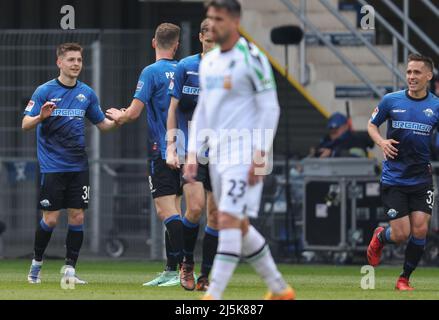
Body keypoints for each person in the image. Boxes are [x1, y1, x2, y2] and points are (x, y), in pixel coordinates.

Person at [184, 0, 295, 300]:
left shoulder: (253, 57)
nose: (211, 25)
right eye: (209, 19)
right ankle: (279, 288)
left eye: (218, 19)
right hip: (218, 156)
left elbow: (270, 107)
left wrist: (260, 153)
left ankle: (213, 294)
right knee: (240, 225)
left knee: (227, 221)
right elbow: (204, 109)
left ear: (235, 21)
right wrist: (193, 151)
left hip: (244, 154)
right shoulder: (209, 62)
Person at [22, 43, 119, 284]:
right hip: (53, 167)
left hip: (78, 166)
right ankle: (36, 264)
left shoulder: (86, 93)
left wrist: (120, 119)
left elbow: (103, 125)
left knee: (77, 217)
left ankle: (69, 270)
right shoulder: (44, 91)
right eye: (71, 60)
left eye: (79, 60)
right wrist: (40, 117)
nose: (76, 64)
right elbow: (25, 124)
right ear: (60, 63)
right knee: (51, 219)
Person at [106, 23, 183, 287]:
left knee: (165, 211)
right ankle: (171, 270)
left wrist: (119, 115)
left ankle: (187, 267)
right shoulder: (185, 69)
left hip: (163, 149)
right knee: (176, 210)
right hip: (187, 148)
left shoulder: (151, 72)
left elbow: (134, 112)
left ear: (153, 43)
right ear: (176, 45)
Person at [367, 53, 439, 291]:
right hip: (395, 178)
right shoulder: (391, 100)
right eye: (408, 72)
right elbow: (372, 125)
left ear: (428, 76)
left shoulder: (436, 106)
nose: (411, 76)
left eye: (417, 72)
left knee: (420, 229)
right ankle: (381, 237)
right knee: (401, 234)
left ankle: (404, 279)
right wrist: (381, 142)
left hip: (421, 179)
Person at [166, 19, 218, 291]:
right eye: (209, 41)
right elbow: (173, 109)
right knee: (195, 207)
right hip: (191, 149)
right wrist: (171, 146)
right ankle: (187, 263)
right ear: (200, 38)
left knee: (217, 215)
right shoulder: (186, 67)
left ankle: (206, 275)